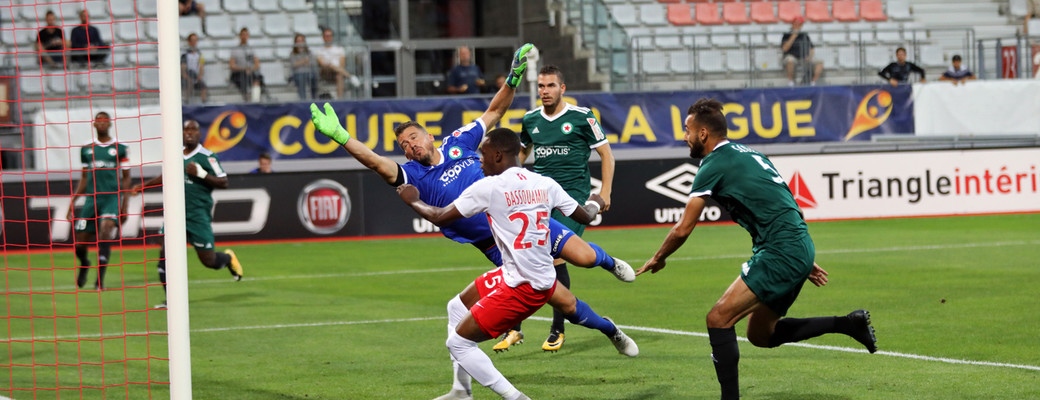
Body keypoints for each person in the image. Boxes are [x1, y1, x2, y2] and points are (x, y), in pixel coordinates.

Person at [310, 44, 638, 400]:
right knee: (565, 304)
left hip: (528, 218)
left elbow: (494, 110)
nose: (410, 147)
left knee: (587, 258)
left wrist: (513, 77)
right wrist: (342, 138)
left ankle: (610, 262)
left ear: (429, 135)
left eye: (414, 138)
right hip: (500, 247)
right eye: (403, 144)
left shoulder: (460, 141)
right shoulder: (411, 174)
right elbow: (375, 162)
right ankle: (609, 330)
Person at [636, 98, 878, 400]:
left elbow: (683, 227)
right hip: (796, 245)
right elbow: (785, 201)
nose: (683, 136)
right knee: (761, 335)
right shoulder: (749, 152)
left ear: (702, 134)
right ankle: (847, 324)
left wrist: (659, 257)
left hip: (782, 250)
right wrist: (802, 256)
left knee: (718, 319)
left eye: (687, 130)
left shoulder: (713, 164)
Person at [399, 128, 628, 400]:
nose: (478, 161)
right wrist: (595, 200)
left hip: (524, 285)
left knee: (459, 343)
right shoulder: (544, 183)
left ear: (497, 155)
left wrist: (413, 200)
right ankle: (461, 390)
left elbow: (439, 216)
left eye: (482, 155)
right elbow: (586, 215)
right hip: (520, 272)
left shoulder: (486, 188)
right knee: (456, 307)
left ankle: (515, 397)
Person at [499, 64, 616, 353]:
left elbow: (606, 154)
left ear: (562, 88)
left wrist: (605, 192)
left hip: (571, 199)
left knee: (554, 257)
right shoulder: (531, 119)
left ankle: (557, 330)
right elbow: (522, 154)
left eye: (550, 85)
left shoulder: (582, 117)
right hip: (537, 198)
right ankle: (515, 328)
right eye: (541, 86)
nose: (545, 91)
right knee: (522, 256)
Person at [131, 120, 244, 308]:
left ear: (200, 134)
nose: (189, 133)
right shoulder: (174, 155)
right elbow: (165, 175)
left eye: (193, 129)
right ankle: (172, 302)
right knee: (164, 252)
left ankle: (228, 259)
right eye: (186, 129)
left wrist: (202, 175)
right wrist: (144, 186)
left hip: (198, 216)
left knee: (209, 261)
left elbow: (224, 182)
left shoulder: (208, 157)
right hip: (175, 215)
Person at [67, 111, 129, 290]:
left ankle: (99, 281)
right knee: (79, 244)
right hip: (91, 200)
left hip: (111, 198)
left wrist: (124, 204)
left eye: (105, 120)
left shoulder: (120, 147)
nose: (101, 123)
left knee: (106, 230)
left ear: (110, 123)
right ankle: (85, 263)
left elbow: (126, 177)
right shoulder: (86, 149)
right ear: (94, 124)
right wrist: (73, 201)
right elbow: (84, 179)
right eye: (98, 121)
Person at [312, 28, 357, 99]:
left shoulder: (339, 49)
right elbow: (321, 64)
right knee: (331, 65)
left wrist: (334, 66)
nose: (328, 38)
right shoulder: (319, 50)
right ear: (323, 37)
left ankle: (339, 99)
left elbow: (342, 64)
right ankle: (350, 77)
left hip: (337, 71)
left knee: (339, 75)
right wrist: (331, 65)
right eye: (326, 36)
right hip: (325, 72)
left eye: (330, 36)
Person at [780, 17, 823, 86]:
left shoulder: (804, 35)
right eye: (796, 24)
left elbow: (811, 48)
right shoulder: (787, 35)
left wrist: (810, 56)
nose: (797, 26)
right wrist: (794, 36)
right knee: (790, 60)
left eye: (799, 24)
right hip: (791, 56)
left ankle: (813, 83)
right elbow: (785, 48)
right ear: (792, 24)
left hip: (804, 57)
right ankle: (791, 82)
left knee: (819, 62)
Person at [229, 28, 267, 102]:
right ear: (240, 36)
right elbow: (231, 65)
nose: (244, 37)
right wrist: (244, 69)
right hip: (239, 73)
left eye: (246, 35)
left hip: (249, 72)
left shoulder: (251, 49)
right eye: (243, 35)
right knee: (242, 80)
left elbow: (257, 64)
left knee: (258, 79)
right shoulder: (235, 49)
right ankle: (246, 98)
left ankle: (256, 100)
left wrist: (250, 69)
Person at [289, 33, 319, 100]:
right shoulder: (293, 54)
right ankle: (303, 100)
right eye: (298, 41)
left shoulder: (309, 52)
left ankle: (314, 98)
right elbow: (294, 64)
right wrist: (304, 61)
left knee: (313, 77)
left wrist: (300, 62)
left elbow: (313, 63)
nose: (300, 43)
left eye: (301, 40)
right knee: (301, 78)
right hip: (298, 74)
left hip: (308, 73)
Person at [181, 33, 208, 103]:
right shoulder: (185, 54)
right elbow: (183, 70)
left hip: (195, 75)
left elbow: (201, 66)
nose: (194, 42)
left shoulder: (199, 54)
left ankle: (204, 103)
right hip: (187, 76)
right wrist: (188, 78)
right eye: (193, 40)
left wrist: (200, 75)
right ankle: (186, 102)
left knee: (203, 87)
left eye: (196, 40)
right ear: (189, 41)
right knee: (189, 84)